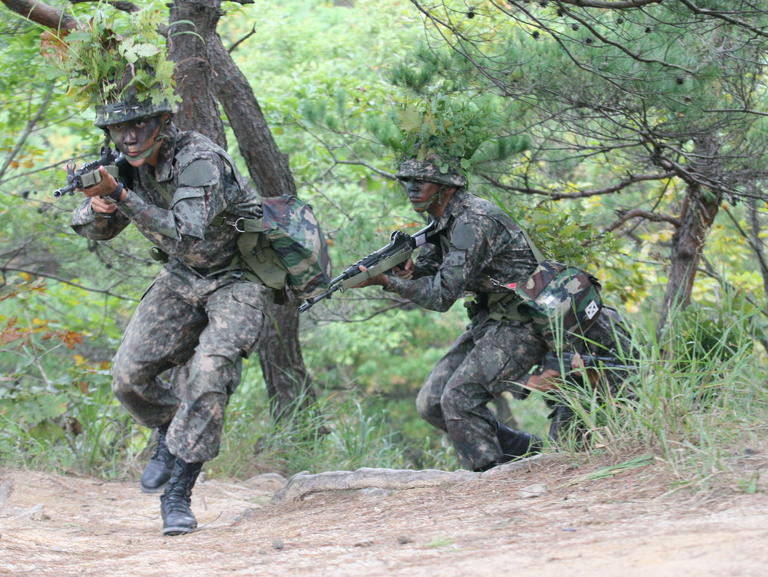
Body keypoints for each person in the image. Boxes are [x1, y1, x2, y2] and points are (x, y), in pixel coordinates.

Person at [70, 93, 267, 536]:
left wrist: (119, 194)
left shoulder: (199, 158)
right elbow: (99, 230)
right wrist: (99, 205)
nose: (131, 137)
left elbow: (187, 229)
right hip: (182, 276)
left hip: (237, 277)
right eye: (121, 129)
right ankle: (170, 426)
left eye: (140, 125)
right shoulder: (123, 165)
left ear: (163, 121)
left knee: (211, 376)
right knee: (128, 376)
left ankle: (177, 494)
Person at [358, 155, 631, 471]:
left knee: (459, 400)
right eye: (406, 181)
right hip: (494, 320)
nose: (412, 188)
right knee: (432, 404)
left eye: (421, 181)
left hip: (526, 321)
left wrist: (385, 281)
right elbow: (434, 272)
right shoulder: (443, 220)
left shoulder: (473, 221)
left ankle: (488, 474)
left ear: (447, 187)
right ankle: (523, 453)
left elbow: (442, 296)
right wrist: (408, 273)